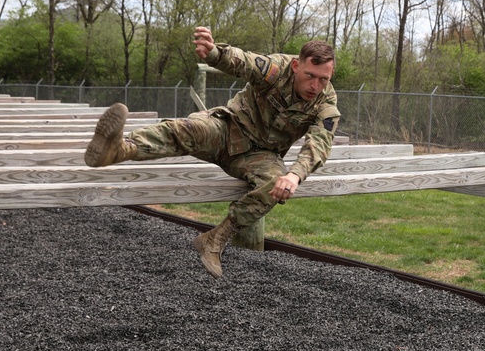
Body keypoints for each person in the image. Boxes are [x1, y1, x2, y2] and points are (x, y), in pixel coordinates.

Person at [84, 26, 341, 279]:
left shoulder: (326, 102)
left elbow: (319, 143)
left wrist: (294, 175)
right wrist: (214, 53)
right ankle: (118, 150)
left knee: (274, 185)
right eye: (310, 75)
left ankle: (215, 241)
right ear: (296, 66)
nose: (315, 85)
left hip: (259, 155)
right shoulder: (277, 70)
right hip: (228, 130)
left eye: (323, 79)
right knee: (188, 130)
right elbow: (246, 62)